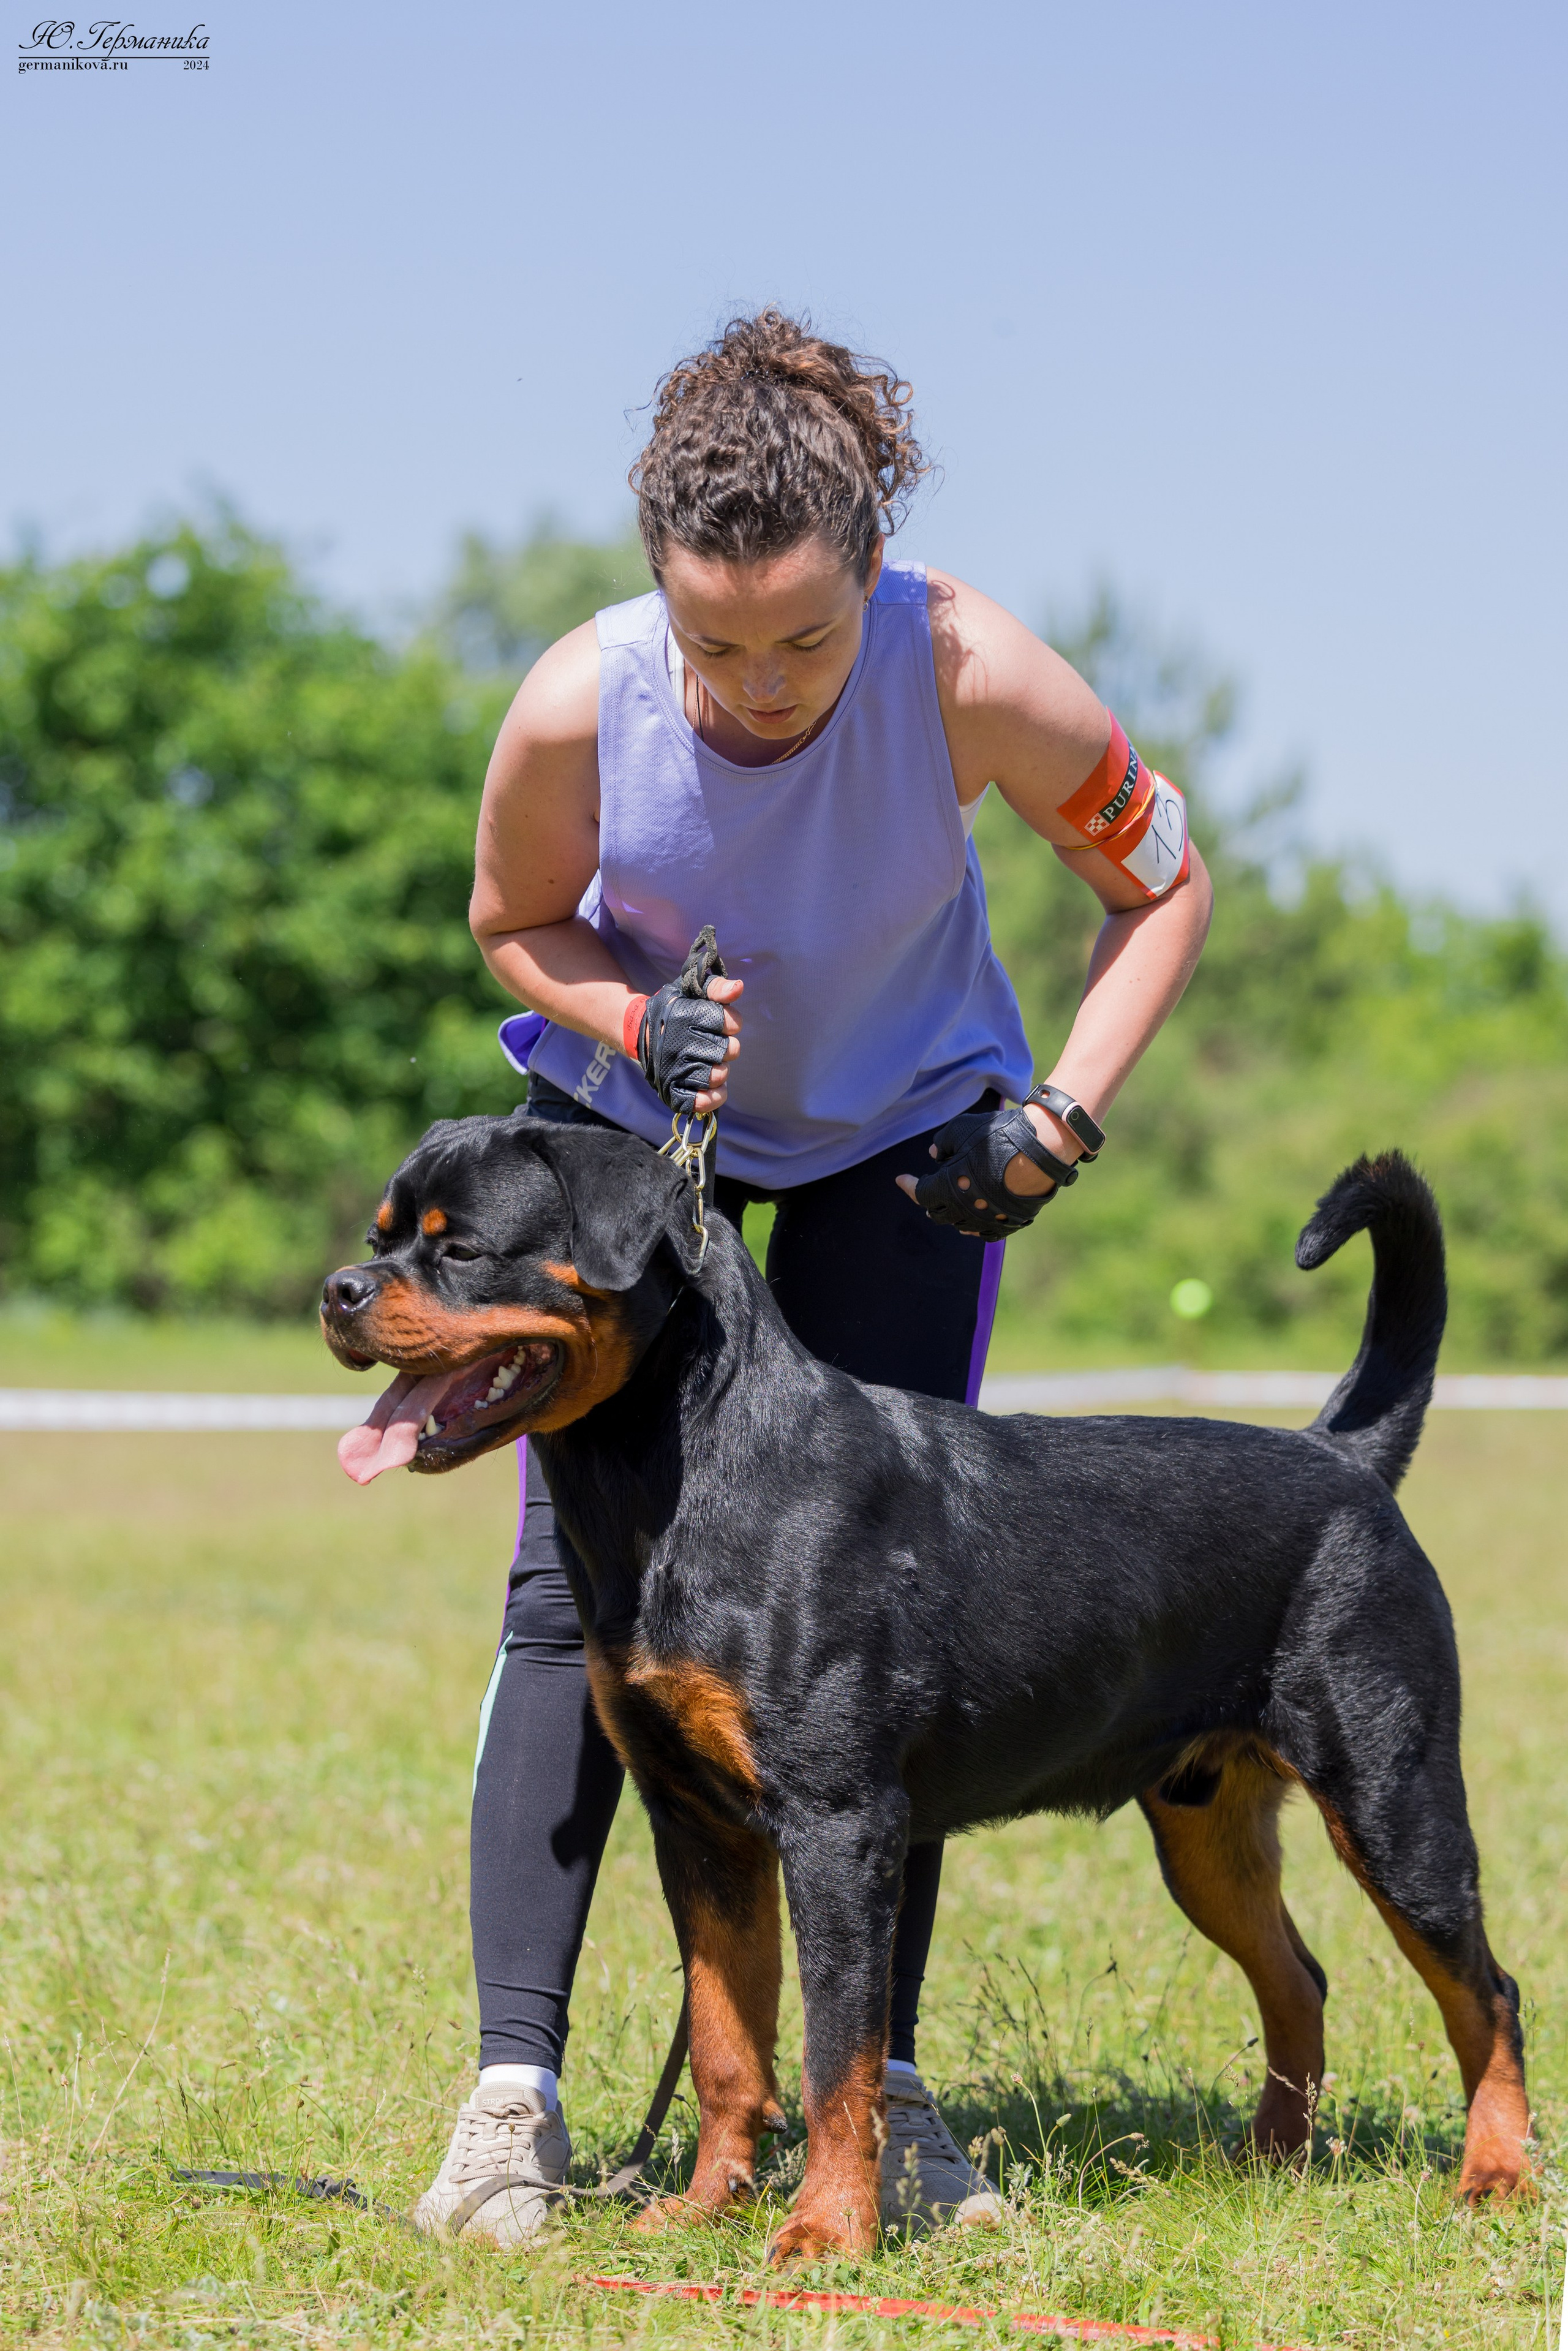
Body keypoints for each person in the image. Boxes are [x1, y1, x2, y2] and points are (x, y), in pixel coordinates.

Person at [414, 311, 1213, 2246]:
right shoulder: (571, 703)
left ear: (877, 576)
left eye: (803, 642)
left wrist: (1064, 1115)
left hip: (898, 1134)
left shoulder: (975, 672)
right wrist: (630, 1007)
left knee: (886, 1623)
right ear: (656, 590)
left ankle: (889, 2090)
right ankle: (514, 2096)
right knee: (565, 1601)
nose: (759, 687)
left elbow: (1161, 884)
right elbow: (509, 919)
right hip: (632, 1150)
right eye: (715, 646)